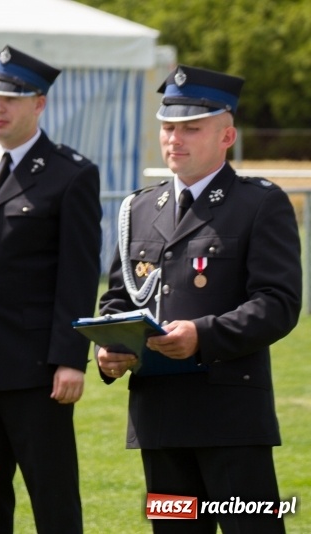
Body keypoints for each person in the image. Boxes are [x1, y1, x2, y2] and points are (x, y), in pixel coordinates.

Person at [96, 65, 301, 533]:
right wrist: (109, 349)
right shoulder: (140, 207)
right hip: (159, 418)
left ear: (226, 135)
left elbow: (278, 302)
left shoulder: (259, 204)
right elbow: (117, 299)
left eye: (191, 128)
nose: (174, 139)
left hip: (229, 416)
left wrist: (202, 336)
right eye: (168, 127)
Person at [0, 45, 102, 533]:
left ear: (39, 104)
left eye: (10, 99)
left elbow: (77, 275)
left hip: (37, 373)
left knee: (53, 500)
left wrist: (69, 359)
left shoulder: (70, 173)